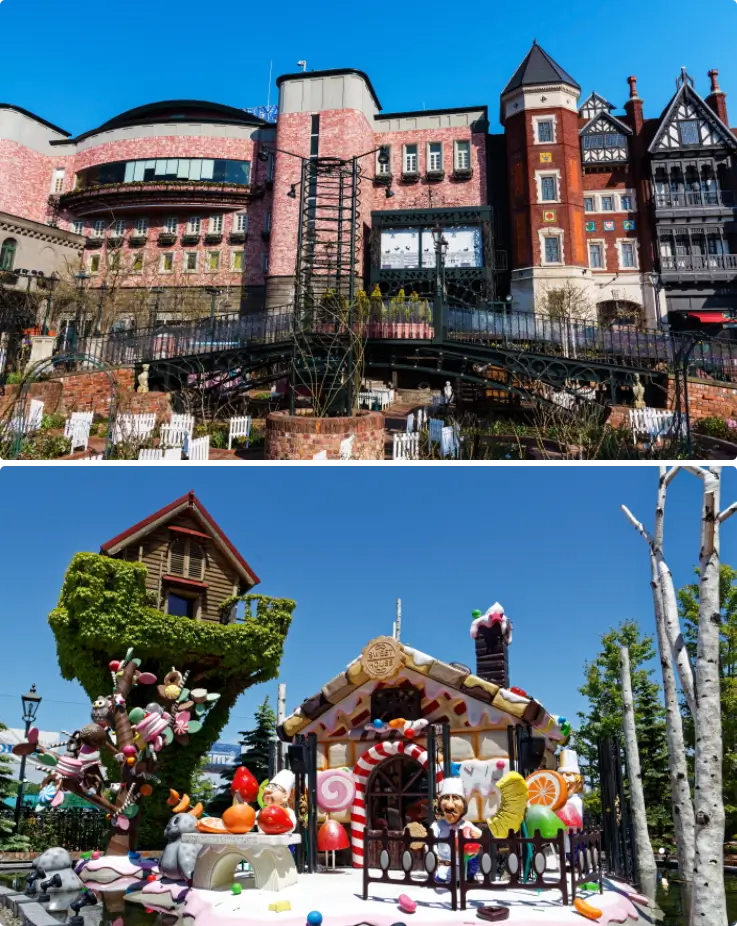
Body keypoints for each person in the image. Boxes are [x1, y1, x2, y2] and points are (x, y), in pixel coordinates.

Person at [429, 778, 481, 883]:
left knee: (474, 859)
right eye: (446, 798)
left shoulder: (466, 824)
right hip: (442, 868)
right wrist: (434, 854)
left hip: (462, 867)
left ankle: (469, 876)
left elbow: (480, 837)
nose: (450, 805)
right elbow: (430, 841)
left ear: (463, 805)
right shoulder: (437, 825)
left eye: (455, 798)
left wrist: (478, 835)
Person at [257, 769, 297, 833]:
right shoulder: (262, 812)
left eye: (273, 787)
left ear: (285, 796)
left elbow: (291, 826)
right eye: (267, 786)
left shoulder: (288, 812)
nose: (267, 790)